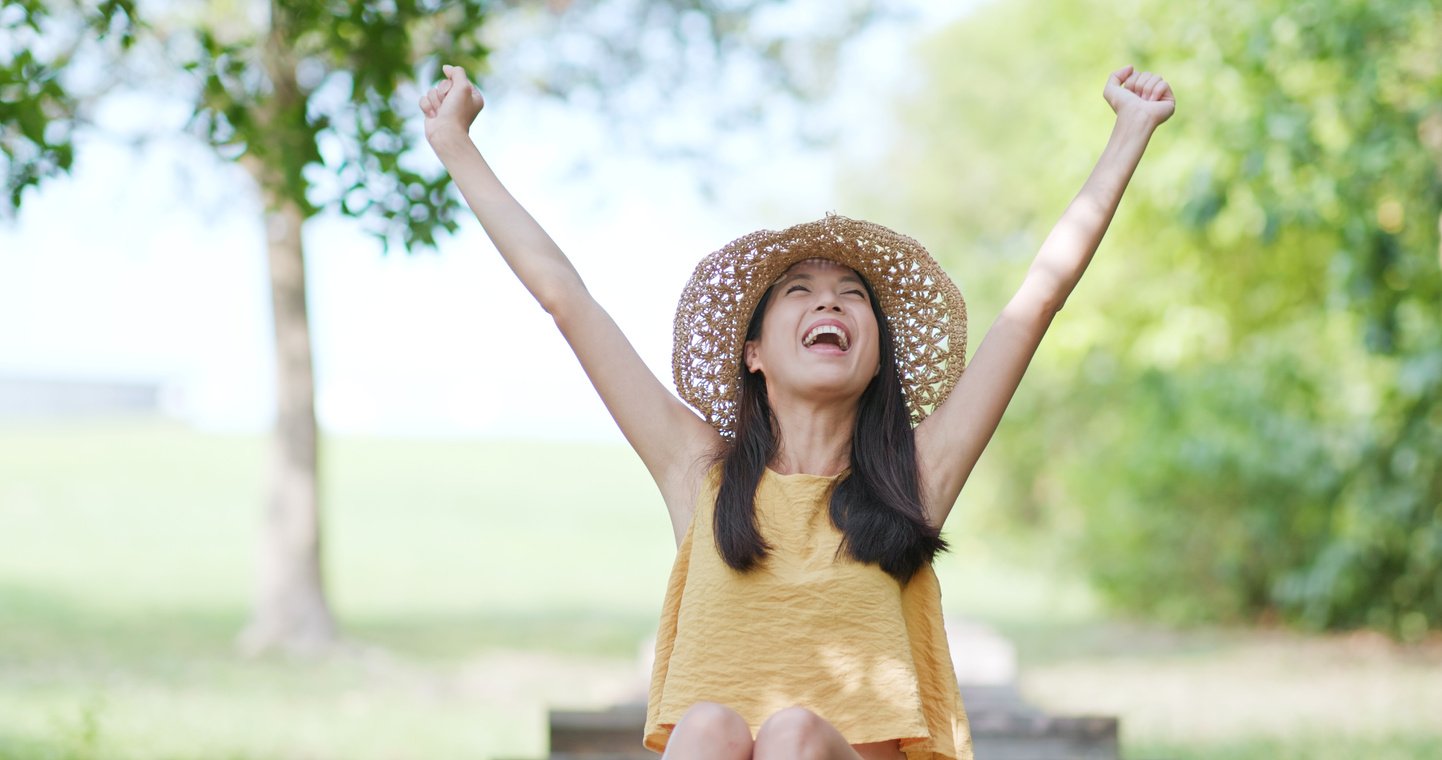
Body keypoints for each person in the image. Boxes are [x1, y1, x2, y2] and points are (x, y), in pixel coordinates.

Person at [420, 61, 1174, 760]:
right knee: (711, 723)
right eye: (799, 292)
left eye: (852, 296)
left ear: (875, 356)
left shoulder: (917, 475)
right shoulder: (700, 474)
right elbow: (565, 298)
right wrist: (454, 144)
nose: (830, 302)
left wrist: (1129, 133)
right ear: (754, 352)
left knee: (792, 735)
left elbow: (1034, 304)